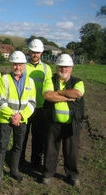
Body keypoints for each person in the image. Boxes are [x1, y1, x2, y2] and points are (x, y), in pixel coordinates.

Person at [0, 51, 36, 190]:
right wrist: (13, 116)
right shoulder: (4, 79)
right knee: (2, 146)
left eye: (20, 64)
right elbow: (0, 101)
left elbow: (32, 103)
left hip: (22, 120)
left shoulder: (30, 81)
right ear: (11, 65)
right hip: (6, 119)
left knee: (18, 146)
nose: (17, 67)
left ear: (24, 65)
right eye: (15, 64)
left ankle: (14, 170)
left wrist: (21, 116)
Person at [42, 54, 84, 187]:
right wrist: (66, 96)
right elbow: (48, 95)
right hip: (53, 122)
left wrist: (58, 92)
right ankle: (48, 174)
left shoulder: (78, 82)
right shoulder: (50, 79)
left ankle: (73, 175)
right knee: (50, 149)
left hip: (72, 123)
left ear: (71, 68)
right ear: (56, 67)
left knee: (71, 151)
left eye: (66, 66)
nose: (63, 69)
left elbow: (77, 93)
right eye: (61, 66)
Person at [20, 39, 52, 170]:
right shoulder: (23, 67)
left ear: (41, 53)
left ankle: (36, 163)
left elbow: (49, 88)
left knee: (38, 137)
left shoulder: (46, 68)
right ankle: (19, 161)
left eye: (38, 52)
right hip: (25, 107)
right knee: (22, 136)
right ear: (29, 52)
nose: (35, 54)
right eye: (33, 52)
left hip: (40, 108)